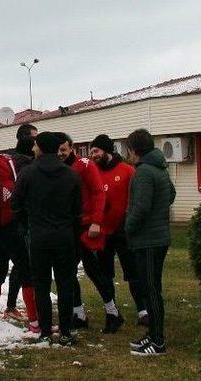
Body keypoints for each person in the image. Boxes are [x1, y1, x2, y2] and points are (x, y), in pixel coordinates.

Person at [12, 132, 81, 346]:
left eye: (35, 146)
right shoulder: (70, 174)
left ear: (40, 148)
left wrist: (28, 222)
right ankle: (66, 332)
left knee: (41, 284)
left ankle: (45, 331)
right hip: (64, 235)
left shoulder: (28, 173)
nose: (33, 148)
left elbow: (15, 204)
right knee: (65, 283)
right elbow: (78, 209)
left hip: (39, 236)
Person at [55, 132, 124, 333]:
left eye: (64, 150)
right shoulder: (57, 168)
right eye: (58, 150)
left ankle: (113, 312)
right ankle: (78, 314)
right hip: (67, 227)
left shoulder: (85, 165)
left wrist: (96, 222)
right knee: (67, 271)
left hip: (86, 226)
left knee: (93, 270)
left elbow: (98, 192)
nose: (60, 153)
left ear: (72, 149)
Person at [125, 129, 175, 356]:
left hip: (148, 240)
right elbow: (171, 195)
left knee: (151, 290)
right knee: (152, 288)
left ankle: (157, 341)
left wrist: (128, 227)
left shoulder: (144, 172)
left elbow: (141, 207)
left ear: (134, 149)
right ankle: (153, 334)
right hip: (159, 237)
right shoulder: (160, 167)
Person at [90, 134, 148, 326]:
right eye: (91, 152)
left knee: (133, 272)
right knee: (105, 273)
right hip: (102, 233)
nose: (93, 155)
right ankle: (112, 311)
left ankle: (143, 310)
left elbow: (137, 197)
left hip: (124, 231)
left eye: (96, 151)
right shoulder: (92, 172)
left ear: (107, 150)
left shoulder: (127, 170)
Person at [0, 135, 39, 333]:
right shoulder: (27, 168)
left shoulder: (5, 163)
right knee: (26, 275)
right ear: (32, 148)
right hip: (16, 229)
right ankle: (34, 321)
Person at [5, 124, 38, 320]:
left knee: (20, 264)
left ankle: (12, 305)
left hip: (11, 218)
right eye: (34, 138)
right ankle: (19, 307)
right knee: (23, 264)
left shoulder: (10, 158)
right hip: (20, 219)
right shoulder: (23, 162)